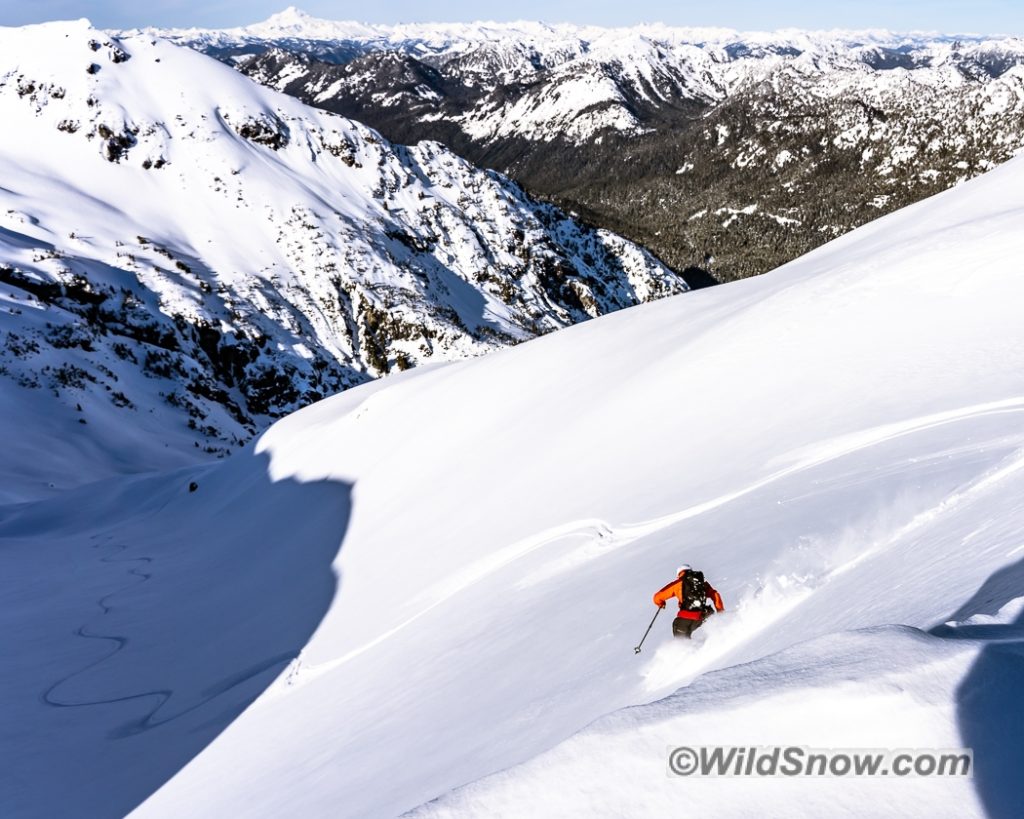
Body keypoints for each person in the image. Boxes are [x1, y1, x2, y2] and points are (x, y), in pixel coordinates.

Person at [653, 564, 725, 638]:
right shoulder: (702, 583)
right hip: (704, 615)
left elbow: (657, 597)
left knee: (679, 633)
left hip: (686, 618)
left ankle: (685, 648)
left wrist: (661, 603)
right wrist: (720, 612)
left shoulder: (678, 583)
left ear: (679, 574)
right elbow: (715, 594)